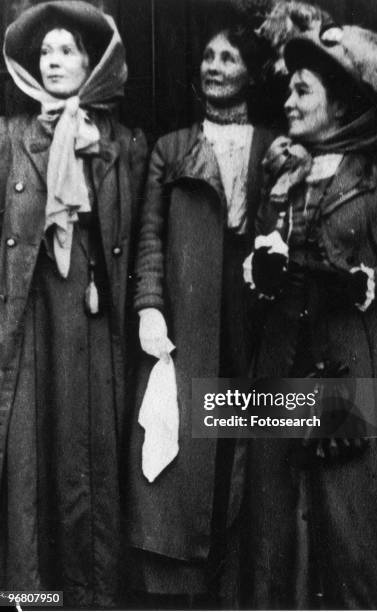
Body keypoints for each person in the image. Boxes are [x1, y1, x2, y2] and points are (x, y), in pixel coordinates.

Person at [242, 15, 377, 610]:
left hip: (355, 360)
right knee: (283, 512)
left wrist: (372, 281)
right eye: (289, 89)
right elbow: (257, 242)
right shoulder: (283, 168)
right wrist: (261, 266)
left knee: (352, 511)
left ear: (342, 101)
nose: (289, 101)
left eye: (303, 90)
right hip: (286, 356)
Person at [0, 2, 147, 607]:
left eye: (67, 51)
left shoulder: (122, 142)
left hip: (92, 313)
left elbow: (139, 234)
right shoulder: (11, 139)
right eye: (46, 53)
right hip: (29, 315)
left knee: (89, 452)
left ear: (92, 61)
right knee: (31, 453)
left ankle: (91, 597)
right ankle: (33, 597)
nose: (55, 62)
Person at [126, 18, 274, 606]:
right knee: (190, 437)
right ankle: (182, 582)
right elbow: (151, 237)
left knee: (249, 426)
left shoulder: (273, 146)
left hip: (251, 308)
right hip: (190, 305)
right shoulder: (172, 147)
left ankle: (239, 576)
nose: (214, 66)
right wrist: (149, 305)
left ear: (252, 74)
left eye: (228, 58)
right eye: (208, 57)